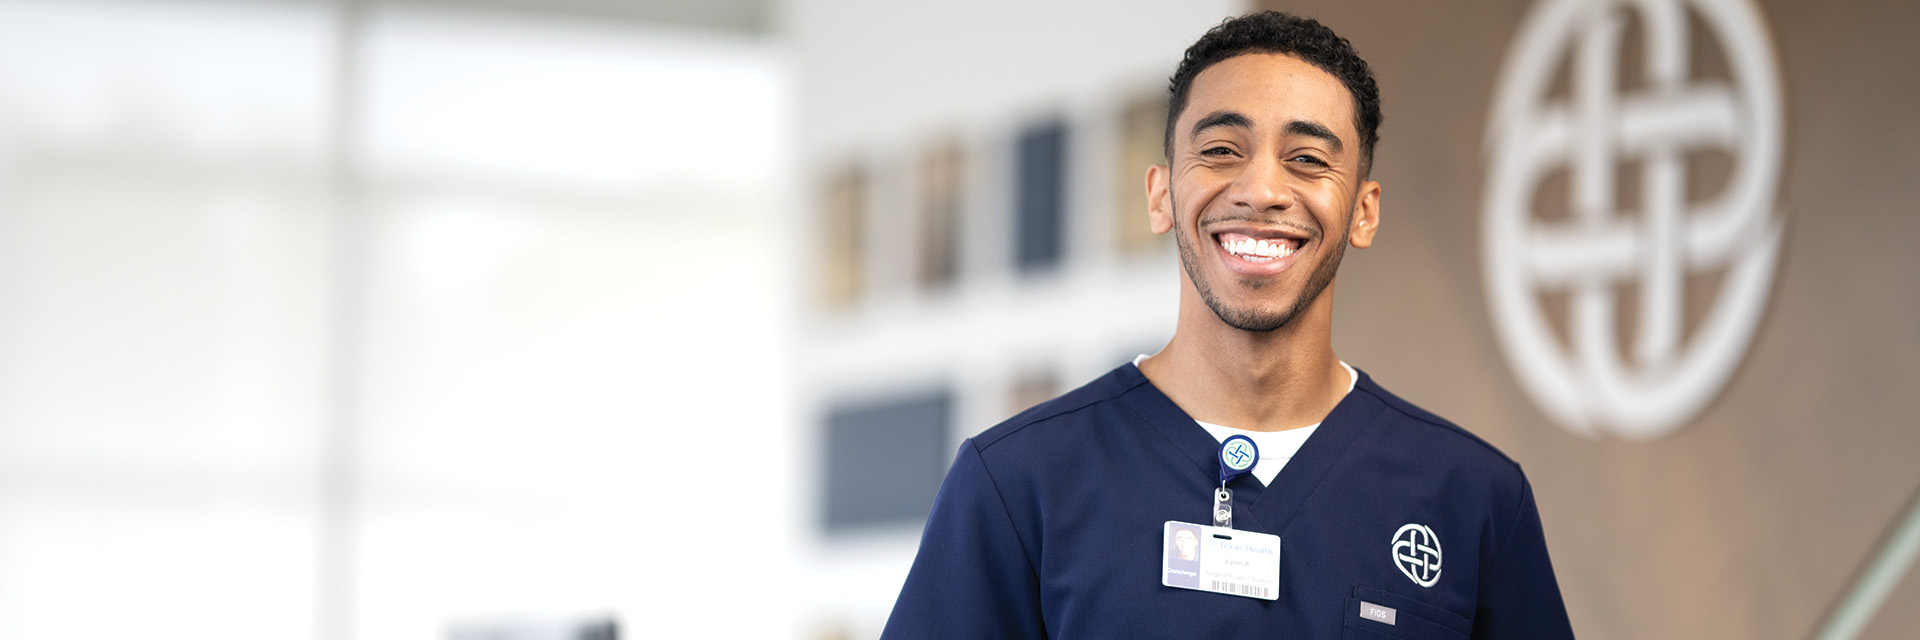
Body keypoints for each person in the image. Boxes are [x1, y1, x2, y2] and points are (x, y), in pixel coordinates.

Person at [880, 10, 1574, 639]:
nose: (1263, 191)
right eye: (1220, 151)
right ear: (1161, 195)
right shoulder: (1015, 484)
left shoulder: (1474, 498)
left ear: (1364, 211)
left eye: (1307, 159)